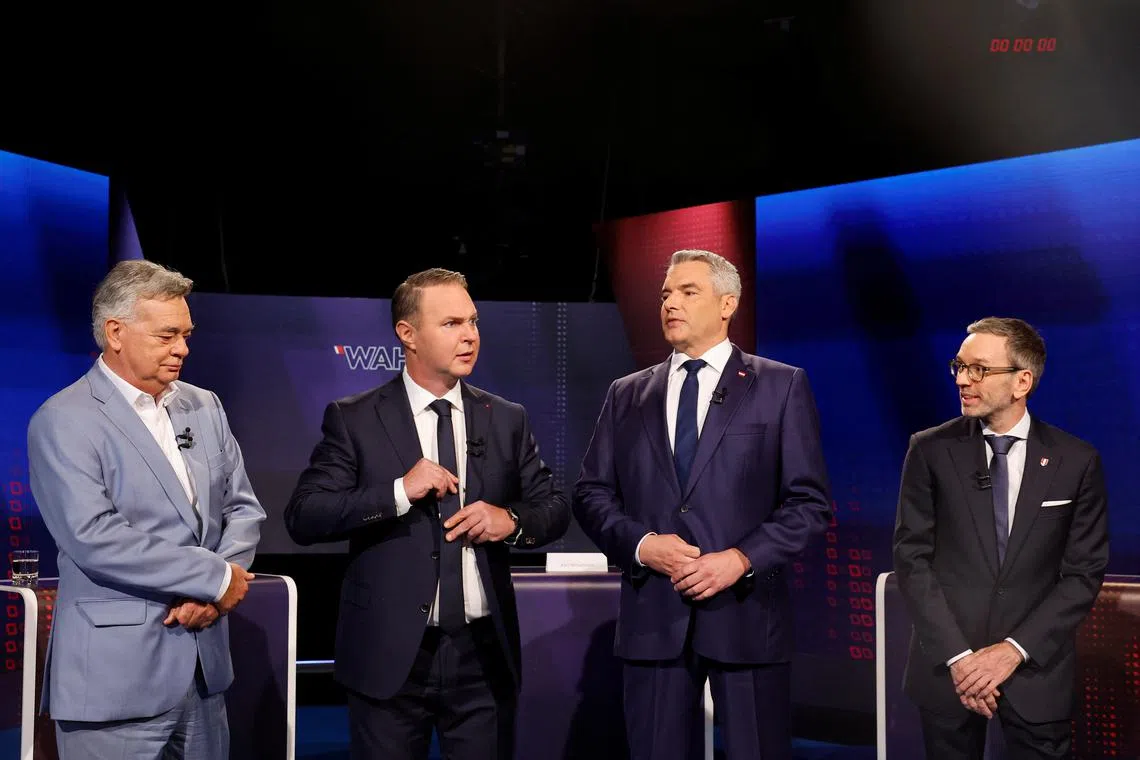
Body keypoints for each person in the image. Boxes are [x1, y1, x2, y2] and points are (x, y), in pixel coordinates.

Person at [285, 267, 570, 760]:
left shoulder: (505, 417)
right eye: (452, 323)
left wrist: (511, 522)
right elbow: (305, 515)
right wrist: (398, 491)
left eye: (474, 322)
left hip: (482, 655)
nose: (470, 336)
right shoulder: (354, 418)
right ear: (407, 334)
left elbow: (555, 506)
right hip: (389, 656)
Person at [572, 249, 832, 760]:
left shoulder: (780, 385)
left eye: (688, 292)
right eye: (666, 293)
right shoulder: (626, 394)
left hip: (748, 616)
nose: (671, 303)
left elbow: (809, 503)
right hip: (654, 618)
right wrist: (643, 546)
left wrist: (739, 559)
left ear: (727, 303)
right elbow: (591, 493)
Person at [26, 259, 266, 760]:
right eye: (166, 335)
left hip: (204, 674)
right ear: (115, 333)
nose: (183, 348)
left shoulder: (204, 406)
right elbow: (94, 536)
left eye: (186, 334)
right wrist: (214, 578)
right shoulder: (64, 419)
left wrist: (220, 591)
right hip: (115, 685)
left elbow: (242, 509)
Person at [892, 317, 1109, 759]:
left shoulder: (1075, 460)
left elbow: (1083, 574)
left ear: (1021, 381)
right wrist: (961, 660)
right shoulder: (930, 450)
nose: (962, 379)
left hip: (1035, 673)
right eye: (958, 366)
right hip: (949, 672)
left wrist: (1012, 651)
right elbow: (912, 559)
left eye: (979, 370)